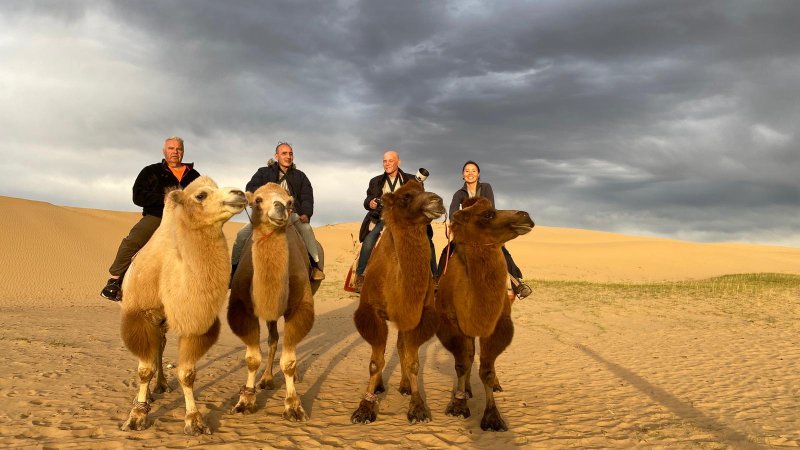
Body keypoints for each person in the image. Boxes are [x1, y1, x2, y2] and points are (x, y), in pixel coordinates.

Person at [100, 136, 201, 301]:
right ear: (164, 151)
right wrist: (163, 199)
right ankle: (114, 281)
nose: (175, 152)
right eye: (171, 148)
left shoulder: (194, 175)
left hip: (185, 219)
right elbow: (137, 196)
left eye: (179, 149)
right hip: (157, 216)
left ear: (183, 152)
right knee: (133, 240)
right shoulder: (151, 171)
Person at [231, 142, 324, 281]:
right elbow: (251, 187)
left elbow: (306, 196)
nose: (288, 156)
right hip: (265, 217)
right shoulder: (263, 172)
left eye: (290, 154)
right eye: (284, 153)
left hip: (291, 215)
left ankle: (315, 266)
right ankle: (234, 271)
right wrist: (267, 192)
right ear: (276, 156)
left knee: (306, 229)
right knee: (241, 235)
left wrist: (306, 213)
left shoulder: (300, 176)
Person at [440, 160, 532, 299]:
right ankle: (438, 282)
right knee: (447, 251)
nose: (470, 173)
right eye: (467, 171)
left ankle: (516, 284)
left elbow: (491, 209)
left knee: (502, 251)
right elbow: (453, 211)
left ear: (478, 174)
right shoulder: (459, 193)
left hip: (485, 228)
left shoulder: (486, 188)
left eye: (473, 171)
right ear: (462, 175)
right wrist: (451, 223)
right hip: (468, 232)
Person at [354, 151, 435, 292]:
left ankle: (435, 276)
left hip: (408, 220)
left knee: (427, 241)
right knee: (369, 239)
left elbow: (421, 200)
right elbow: (367, 199)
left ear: (399, 162)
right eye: (385, 161)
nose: (387, 164)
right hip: (385, 218)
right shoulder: (375, 181)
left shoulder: (412, 180)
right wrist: (371, 203)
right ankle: (359, 276)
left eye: (390, 161)